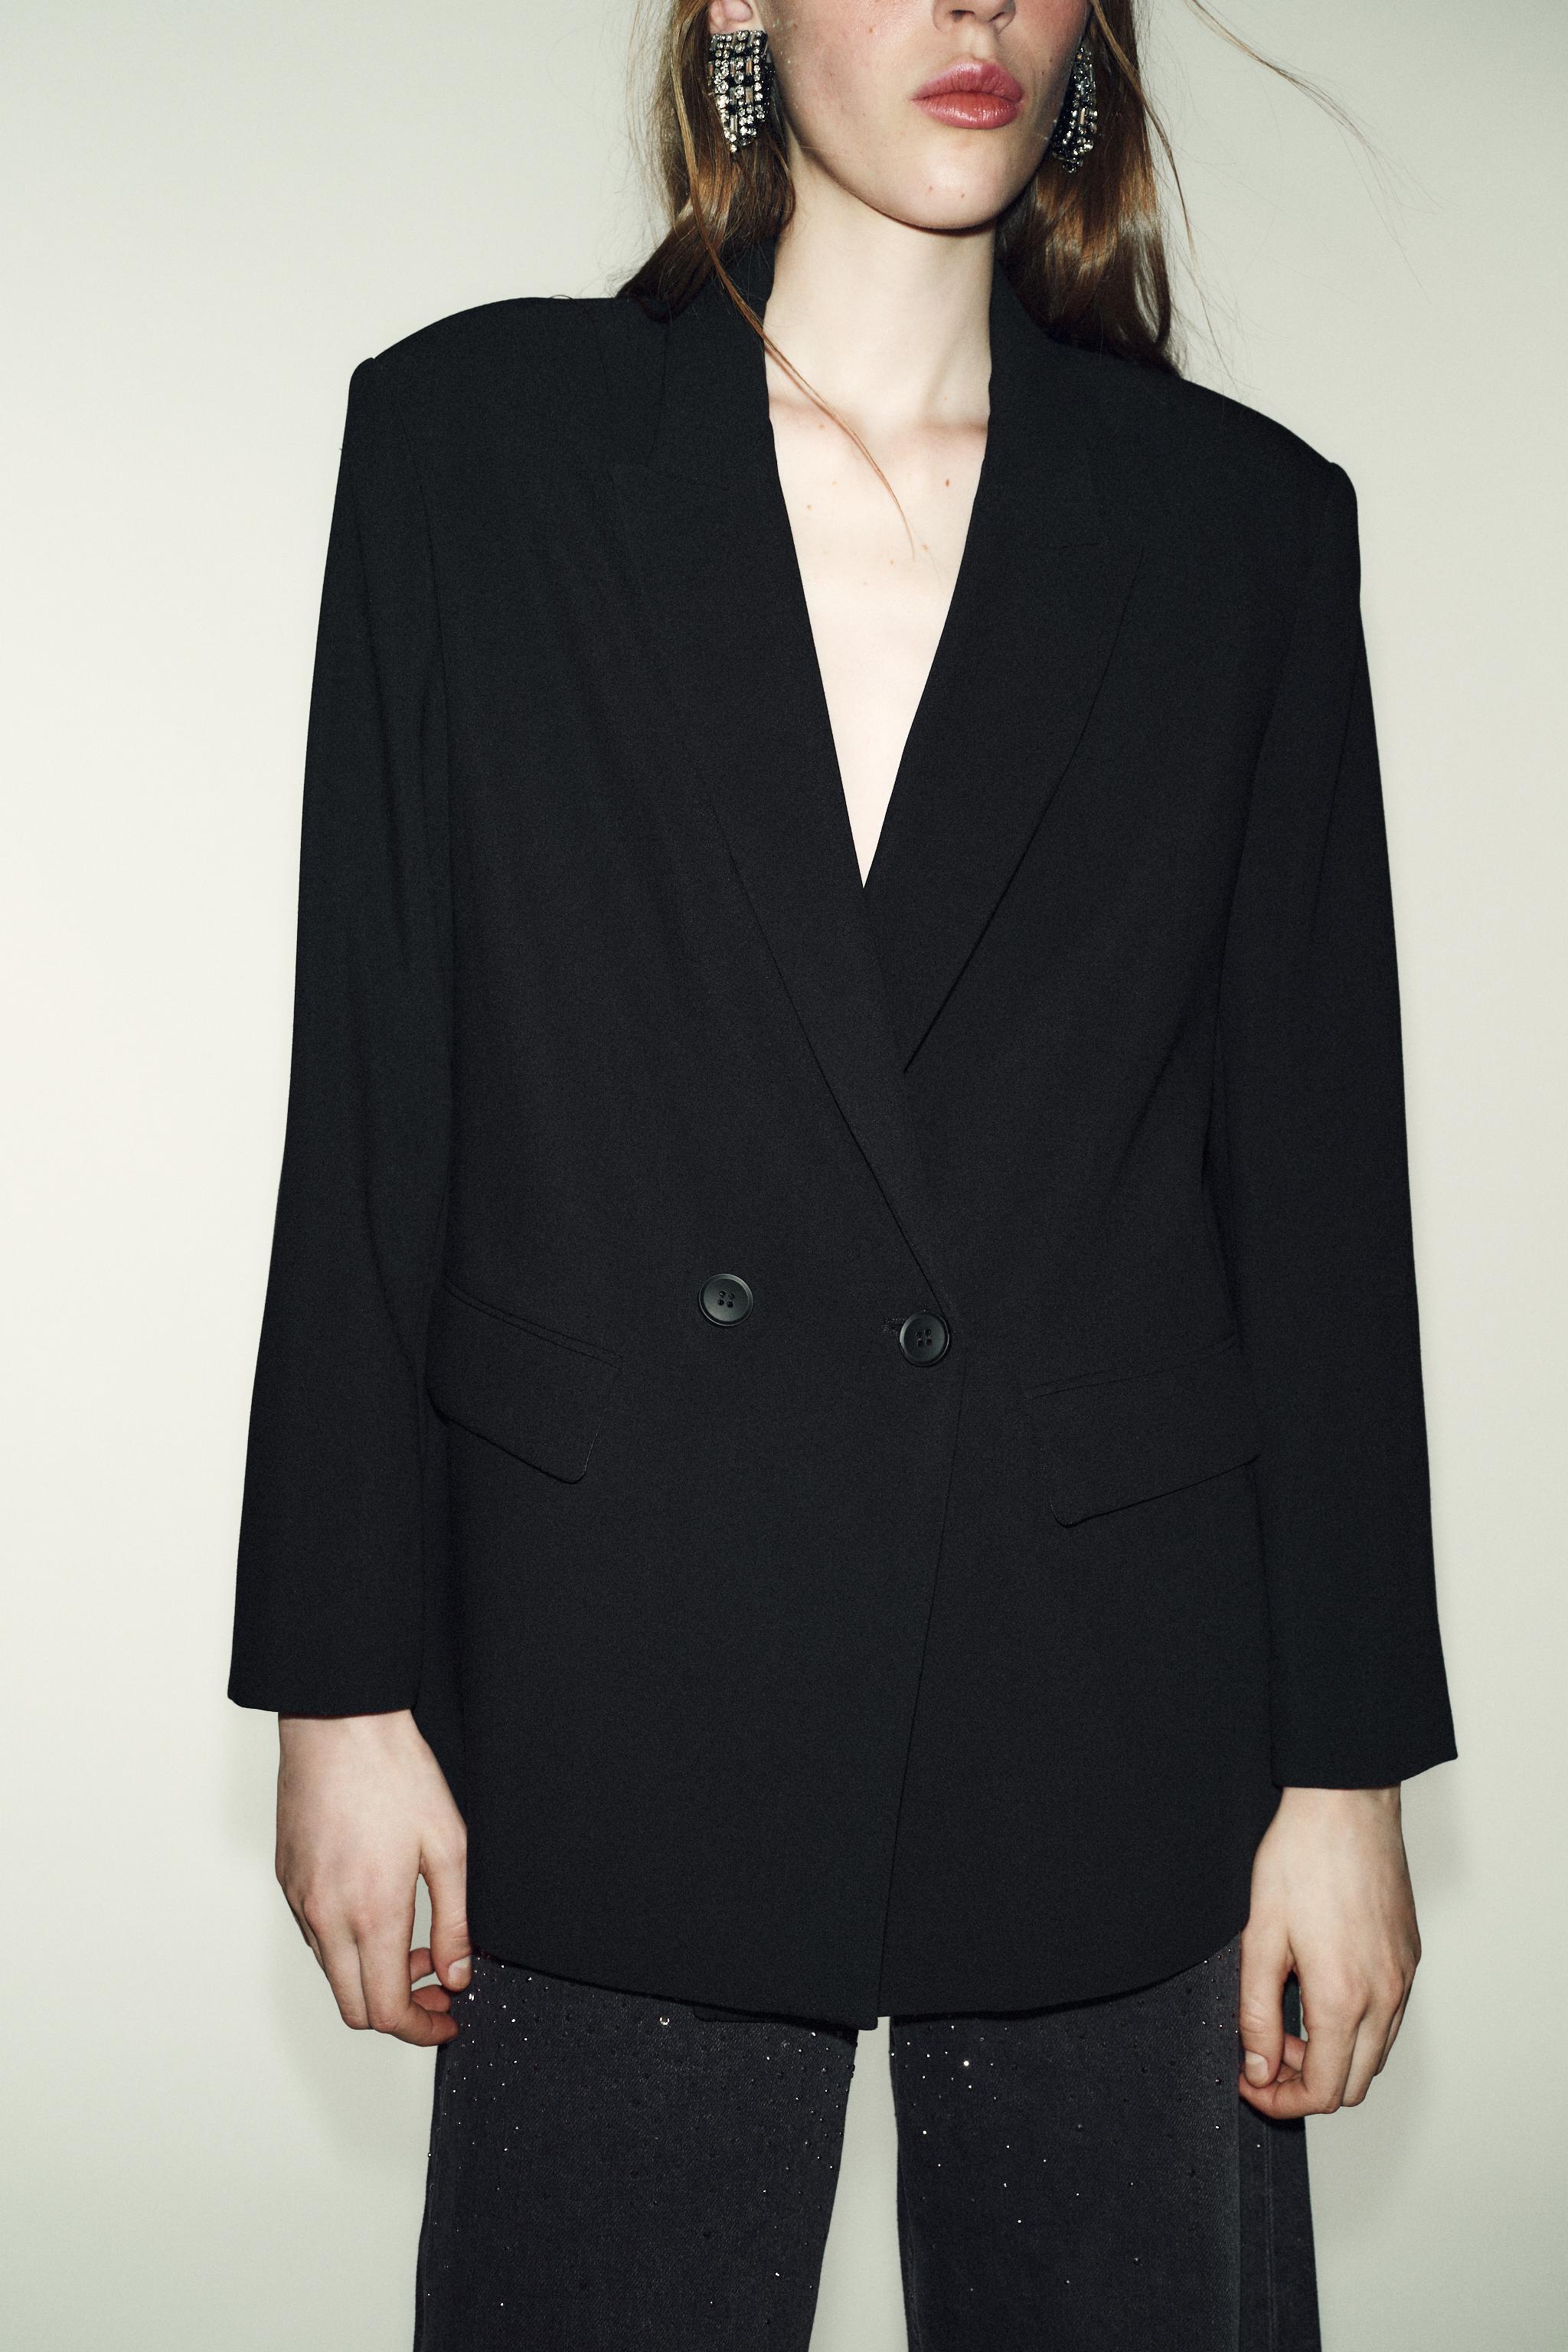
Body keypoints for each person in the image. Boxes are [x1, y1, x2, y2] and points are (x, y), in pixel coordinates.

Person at [229, 2, 1457, 2343]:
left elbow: (1315, 1187)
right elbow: (377, 1090)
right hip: (614, 1663)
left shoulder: (1242, 528)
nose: (972, 8)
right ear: (738, 10)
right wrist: (339, 1689)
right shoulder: (480, 448)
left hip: (1115, 1684)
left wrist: (1348, 1775)